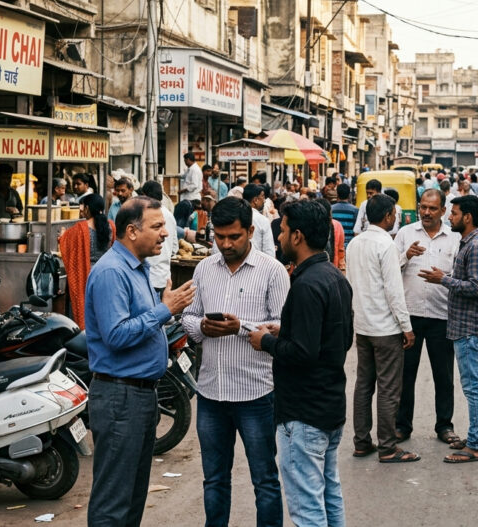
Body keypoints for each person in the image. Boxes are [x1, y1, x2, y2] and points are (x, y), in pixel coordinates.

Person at [84, 197, 196, 526]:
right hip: (120, 397)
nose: (166, 233)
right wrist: (165, 309)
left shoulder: (138, 268)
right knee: (113, 501)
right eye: (157, 226)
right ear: (132, 231)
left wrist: (164, 310)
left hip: (141, 395)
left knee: (132, 496)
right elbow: (116, 335)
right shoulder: (112, 272)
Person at [181, 196, 289, 527]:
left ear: (251, 232)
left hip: (256, 395)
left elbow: (283, 327)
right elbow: (188, 317)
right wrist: (202, 327)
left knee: (265, 479)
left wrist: (239, 327)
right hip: (211, 394)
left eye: (234, 237)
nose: (226, 244)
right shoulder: (203, 269)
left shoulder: (272, 271)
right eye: (219, 236)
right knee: (214, 480)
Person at [248, 200, 353, 527]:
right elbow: (337, 339)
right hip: (328, 405)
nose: (278, 237)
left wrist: (265, 341)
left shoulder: (307, 284)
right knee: (329, 493)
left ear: (297, 236)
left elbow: (304, 353)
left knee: (308, 508)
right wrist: (285, 331)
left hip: (304, 412)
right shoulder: (334, 277)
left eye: (282, 230)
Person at [419, 195, 478, 463]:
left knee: (474, 387)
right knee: (475, 385)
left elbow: (476, 287)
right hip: (464, 325)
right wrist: (446, 278)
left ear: (468, 217)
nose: (449, 217)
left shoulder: (476, 246)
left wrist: (444, 280)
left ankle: (476, 445)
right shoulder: (469, 243)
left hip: (469, 326)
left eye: (454, 213)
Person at [346, 194, 418, 463]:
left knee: (364, 385)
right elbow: (393, 291)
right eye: (394, 215)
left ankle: (362, 441)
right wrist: (406, 327)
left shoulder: (356, 243)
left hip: (363, 326)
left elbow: (355, 282)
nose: (395, 218)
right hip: (386, 328)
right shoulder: (385, 243)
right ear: (388, 216)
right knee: (388, 389)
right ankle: (388, 447)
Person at [394, 189, 461, 447]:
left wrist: (443, 279)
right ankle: (402, 425)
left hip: (441, 315)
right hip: (409, 317)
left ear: (443, 211)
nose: (426, 212)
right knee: (405, 375)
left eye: (432, 208)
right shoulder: (405, 234)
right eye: (423, 207)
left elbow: (459, 275)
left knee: (443, 376)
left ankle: (444, 425)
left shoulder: (454, 238)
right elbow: (390, 270)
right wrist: (406, 255)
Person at [58, 194, 115, 329]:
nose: (82, 210)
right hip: (107, 274)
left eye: (83, 207)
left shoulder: (80, 228)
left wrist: (61, 236)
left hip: (87, 274)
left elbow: (65, 242)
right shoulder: (111, 226)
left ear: (88, 208)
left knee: (87, 309)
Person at [139, 181, 179, 294]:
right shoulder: (170, 215)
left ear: (145, 196)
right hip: (164, 278)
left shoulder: (145, 214)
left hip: (147, 278)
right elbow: (174, 248)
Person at [243, 184, 276, 257]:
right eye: (263, 196)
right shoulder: (263, 220)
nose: (264, 201)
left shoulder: (236, 216)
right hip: (258, 261)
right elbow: (269, 252)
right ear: (255, 200)